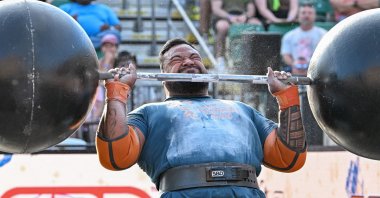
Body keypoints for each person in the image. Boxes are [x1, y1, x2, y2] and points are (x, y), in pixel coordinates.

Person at [95, 38, 307, 197]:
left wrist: (286, 99)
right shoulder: (148, 113)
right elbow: (115, 155)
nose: (188, 61)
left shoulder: (243, 110)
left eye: (195, 57)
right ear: (162, 74)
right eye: (177, 60)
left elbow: (289, 157)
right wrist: (117, 92)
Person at [211, 0, 262, 71]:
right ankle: (220, 58)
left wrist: (246, 16)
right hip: (224, 17)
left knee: (257, 24)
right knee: (222, 26)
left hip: (243, 17)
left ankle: (256, 58)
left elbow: (251, 9)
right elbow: (216, 9)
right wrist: (229, 17)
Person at [281, 3, 327, 76]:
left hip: (316, 68)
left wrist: (311, 66)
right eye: (303, 13)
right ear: (298, 16)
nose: (306, 15)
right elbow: (286, 55)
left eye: (310, 13)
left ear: (314, 16)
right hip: (294, 69)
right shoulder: (289, 36)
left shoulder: (323, 34)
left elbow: (325, 55)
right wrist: (295, 65)